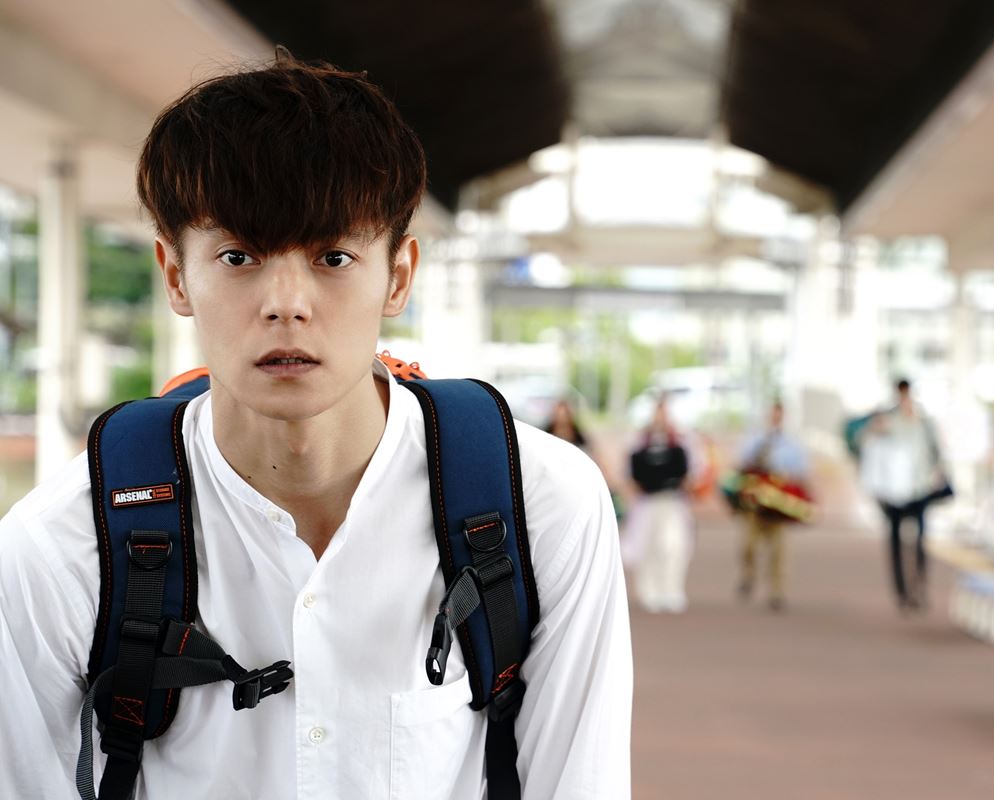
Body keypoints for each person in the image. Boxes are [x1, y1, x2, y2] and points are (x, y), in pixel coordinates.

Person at [0, 55, 631, 798]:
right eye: (238, 256)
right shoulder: (65, 542)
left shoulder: (539, 503)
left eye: (334, 256)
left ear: (398, 276)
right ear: (175, 275)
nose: (286, 303)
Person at [859, 379, 946, 612]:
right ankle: (902, 591)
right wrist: (874, 428)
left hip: (920, 488)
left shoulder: (923, 421)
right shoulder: (888, 420)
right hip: (894, 492)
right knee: (895, 540)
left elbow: (936, 451)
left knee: (920, 541)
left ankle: (919, 586)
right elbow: (866, 442)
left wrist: (937, 471)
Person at [735, 401, 810, 612]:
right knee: (748, 546)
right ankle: (748, 575)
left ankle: (777, 591)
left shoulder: (792, 445)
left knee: (779, 551)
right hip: (757, 502)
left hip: (779, 504)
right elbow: (741, 466)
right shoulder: (754, 440)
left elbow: (802, 473)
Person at [622, 397, 693, 613]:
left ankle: (672, 590)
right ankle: (649, 590)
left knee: (673, 546)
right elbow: (631, 472)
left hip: (672, 501)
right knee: (647, 546)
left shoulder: (679, 441)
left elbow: (688, 471)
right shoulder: (640, 442)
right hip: (648, 502)